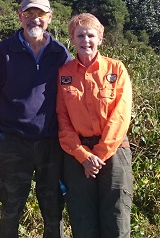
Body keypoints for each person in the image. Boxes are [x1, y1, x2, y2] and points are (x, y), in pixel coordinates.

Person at [0, 0, 72, 238]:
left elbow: (73, 98)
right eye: (29, 14)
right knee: (11, 208)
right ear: (20, 16)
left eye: (40, 15)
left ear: (50, 18)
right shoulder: (4, 51)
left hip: (51, 144)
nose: (34, 20)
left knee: (53, 210)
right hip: (12, 143)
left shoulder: (60, 54)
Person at [56, 13, 133, 238]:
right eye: (80, 35)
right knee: (82, 219)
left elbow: (121, 115)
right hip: (77, 155)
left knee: (116, 218)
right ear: (72, 39)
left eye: (91, 35)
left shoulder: (116, 69)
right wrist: (82, 155)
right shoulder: (64, 74)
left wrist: (97, 155)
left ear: (100, 38)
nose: (85, 40)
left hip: (114, 151)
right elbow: (62, 118)